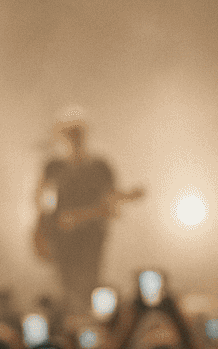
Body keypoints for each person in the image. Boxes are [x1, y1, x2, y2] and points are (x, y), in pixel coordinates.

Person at [34, 113, 142, 310]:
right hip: (62, 238)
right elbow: (40, 200)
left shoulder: (100, 167)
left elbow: (110, 201)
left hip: (90, 236)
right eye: (69, 135)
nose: (74, 140)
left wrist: (124, 198)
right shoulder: (54, 167)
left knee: (88, 282)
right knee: (65, 284)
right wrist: (43, 229)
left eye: (77, 135)